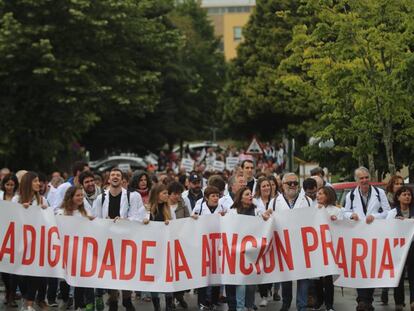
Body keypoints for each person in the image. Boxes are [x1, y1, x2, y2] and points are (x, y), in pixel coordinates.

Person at [92, 168, 143, 311]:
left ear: (122, 180)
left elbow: (138, 217)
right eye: (112, 175)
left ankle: (127, 299)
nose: (115, 177)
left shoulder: (131, 197)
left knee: (126, 270)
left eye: (118, 175)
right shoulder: (100, 198)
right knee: (111, 272)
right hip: (108, 240)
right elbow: (95, 218)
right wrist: (103, 222)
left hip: (126, 239)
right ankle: (113, 300)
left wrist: (125, 220)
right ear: (108, 180)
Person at [343, 167, 390, 311]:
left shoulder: (379, 193)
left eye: (366, 177)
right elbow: (344, 212)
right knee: (359, 269)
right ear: (356, 180)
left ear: (369, 178)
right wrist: (351, 215)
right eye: (361, 178)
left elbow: (388, 212)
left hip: (374, 236)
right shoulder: (350, 195)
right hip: (358, 237)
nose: (364, 180)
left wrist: (374, 216)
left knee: (371, 269)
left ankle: (367, 300)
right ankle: (362, 300)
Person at [267, 173, 312, 311]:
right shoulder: (274, 202)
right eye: (289, 183)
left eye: (295, 183)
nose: (292, 185)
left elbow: (314, 221)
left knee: (303, 277)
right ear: (283, 185)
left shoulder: (308, 201)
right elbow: (269, 223)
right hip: (283, 246)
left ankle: (302, 305)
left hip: (302, 246)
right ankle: (286, 303)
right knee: (285, 276)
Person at [228, 187, 270, 311]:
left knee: (251, 283)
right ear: (240, 197)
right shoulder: (232, 211)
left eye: (251, 194)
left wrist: (265, 218)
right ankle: (240, 307)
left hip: (253, 251)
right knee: (241, 282)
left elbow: (263, 223)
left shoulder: (257, 210)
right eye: (247, 194)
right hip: (238, 251)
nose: (250, 196)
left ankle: (249, 305)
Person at [12, 172, 48, 311]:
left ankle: (29, 303)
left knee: (35, 272)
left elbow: (48, 221)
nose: (38, 184)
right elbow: (12, 219)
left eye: (39, 181)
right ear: (28, 183)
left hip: (37, 243)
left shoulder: (42, 201)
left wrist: (45, 211)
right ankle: (26, 297)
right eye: (35, 181)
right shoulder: (16, 199)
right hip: (21, 243)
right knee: (21, 274)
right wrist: (22, 210)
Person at [56, 186, 95, 311]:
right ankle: (66, 299)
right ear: (70, 197)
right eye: (77, 195)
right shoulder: (61, 213)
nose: (80, 198)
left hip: (81, 251)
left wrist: (92, 222)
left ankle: (78, 305)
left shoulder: (85, 213)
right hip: (65, 251)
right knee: (64, 277)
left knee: (79, 278)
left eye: (82, 195)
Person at [192, 186, 226, 310]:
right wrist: (194, 219)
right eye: (213, 196)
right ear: (206, 197)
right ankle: (202, 301)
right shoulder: (199, 207)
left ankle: (214, 299)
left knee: (217, 272)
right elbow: (192, 223)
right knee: (204, 274)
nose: (216, 198)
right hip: (204, 245)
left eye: (217, 195)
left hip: (218, 245)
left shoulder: (222, 208)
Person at [143, 184, 175, 311]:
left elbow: (177, 226)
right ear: (157, 195)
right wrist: (144, 222)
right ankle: (156, 305)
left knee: (168, 276)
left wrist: (170, 224)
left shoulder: (169, 209)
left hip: (166, 248)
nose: (167, 195)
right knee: (154, 278)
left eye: (167, 193)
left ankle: (168, 304)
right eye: (164, 193)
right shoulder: (147, 209)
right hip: (152, 250)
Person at [314, 186, 342, 311]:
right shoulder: (313, 209)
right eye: (317, 193)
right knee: (317, 277)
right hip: (316, 247)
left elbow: (342, 227)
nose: (318, 196)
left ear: (328, 196)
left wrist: (335, 221)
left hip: (330, 247)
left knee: (328, 278)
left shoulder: (336, 210)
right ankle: (319, 301)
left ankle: (329, 304)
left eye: (321, 194)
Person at [387, 186, 414, 311]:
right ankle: (399, 302)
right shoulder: (392, 213)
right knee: (399, 275)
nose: (407, 197)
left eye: (409, 194)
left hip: (412, 246)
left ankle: (413, 300)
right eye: (404, 194)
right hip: (398, 247)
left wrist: (408, 221)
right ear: (398, 197)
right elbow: (386, 228)